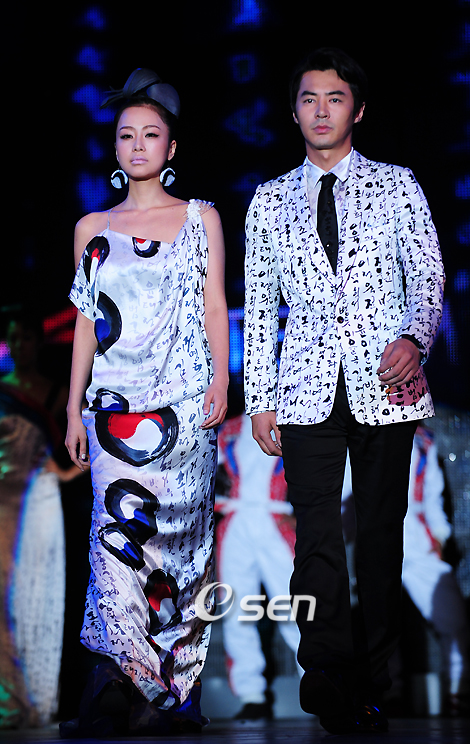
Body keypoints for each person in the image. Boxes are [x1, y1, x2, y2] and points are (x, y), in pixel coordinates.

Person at [244, 47, 445, 734]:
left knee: (383, 535)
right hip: (305, 388)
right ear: (294, 111)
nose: (321, 110)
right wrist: (261, 398)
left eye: (334, 98)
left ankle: (374, 682)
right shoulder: (270, 199)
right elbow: (260, 304)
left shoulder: (396, 185)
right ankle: (326, 674)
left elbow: (428, 277)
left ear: (357, 109)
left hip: (386, 385)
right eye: (309, 98)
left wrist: (415, 339)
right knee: (316, 538)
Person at [63, 68, 229, 736]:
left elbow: (215, 305)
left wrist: (222, 382)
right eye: (126, 134)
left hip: (185, 408)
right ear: (115, 145)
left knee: (183, 548)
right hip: (112, 411)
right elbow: (85, 320)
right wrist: (73, 406)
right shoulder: (92, 227)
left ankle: (176, 688)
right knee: (114, 544)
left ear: (171, 147)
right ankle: (121, 677)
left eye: (150, 134)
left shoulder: (200, 218)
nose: (137, 145)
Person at [0, 308, 80, 728]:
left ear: (39, 342)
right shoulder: (2, 391)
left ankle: (40, 702)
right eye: (13, 338)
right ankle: (10, 702)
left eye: (27, 338)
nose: (20, 346)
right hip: (3, 502)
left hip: (41, 503)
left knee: (40, 596)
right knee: (5, 598)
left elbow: (89, 445)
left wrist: (64, 473)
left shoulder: (57, 393)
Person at [216, 409, 301, 721]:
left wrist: (302, 513)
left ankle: (319, 683)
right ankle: (251, 694)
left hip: (276, 519)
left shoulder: (295, 422)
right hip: (236, 521)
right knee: (237, 609)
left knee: (295, 606)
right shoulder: (229, 428)